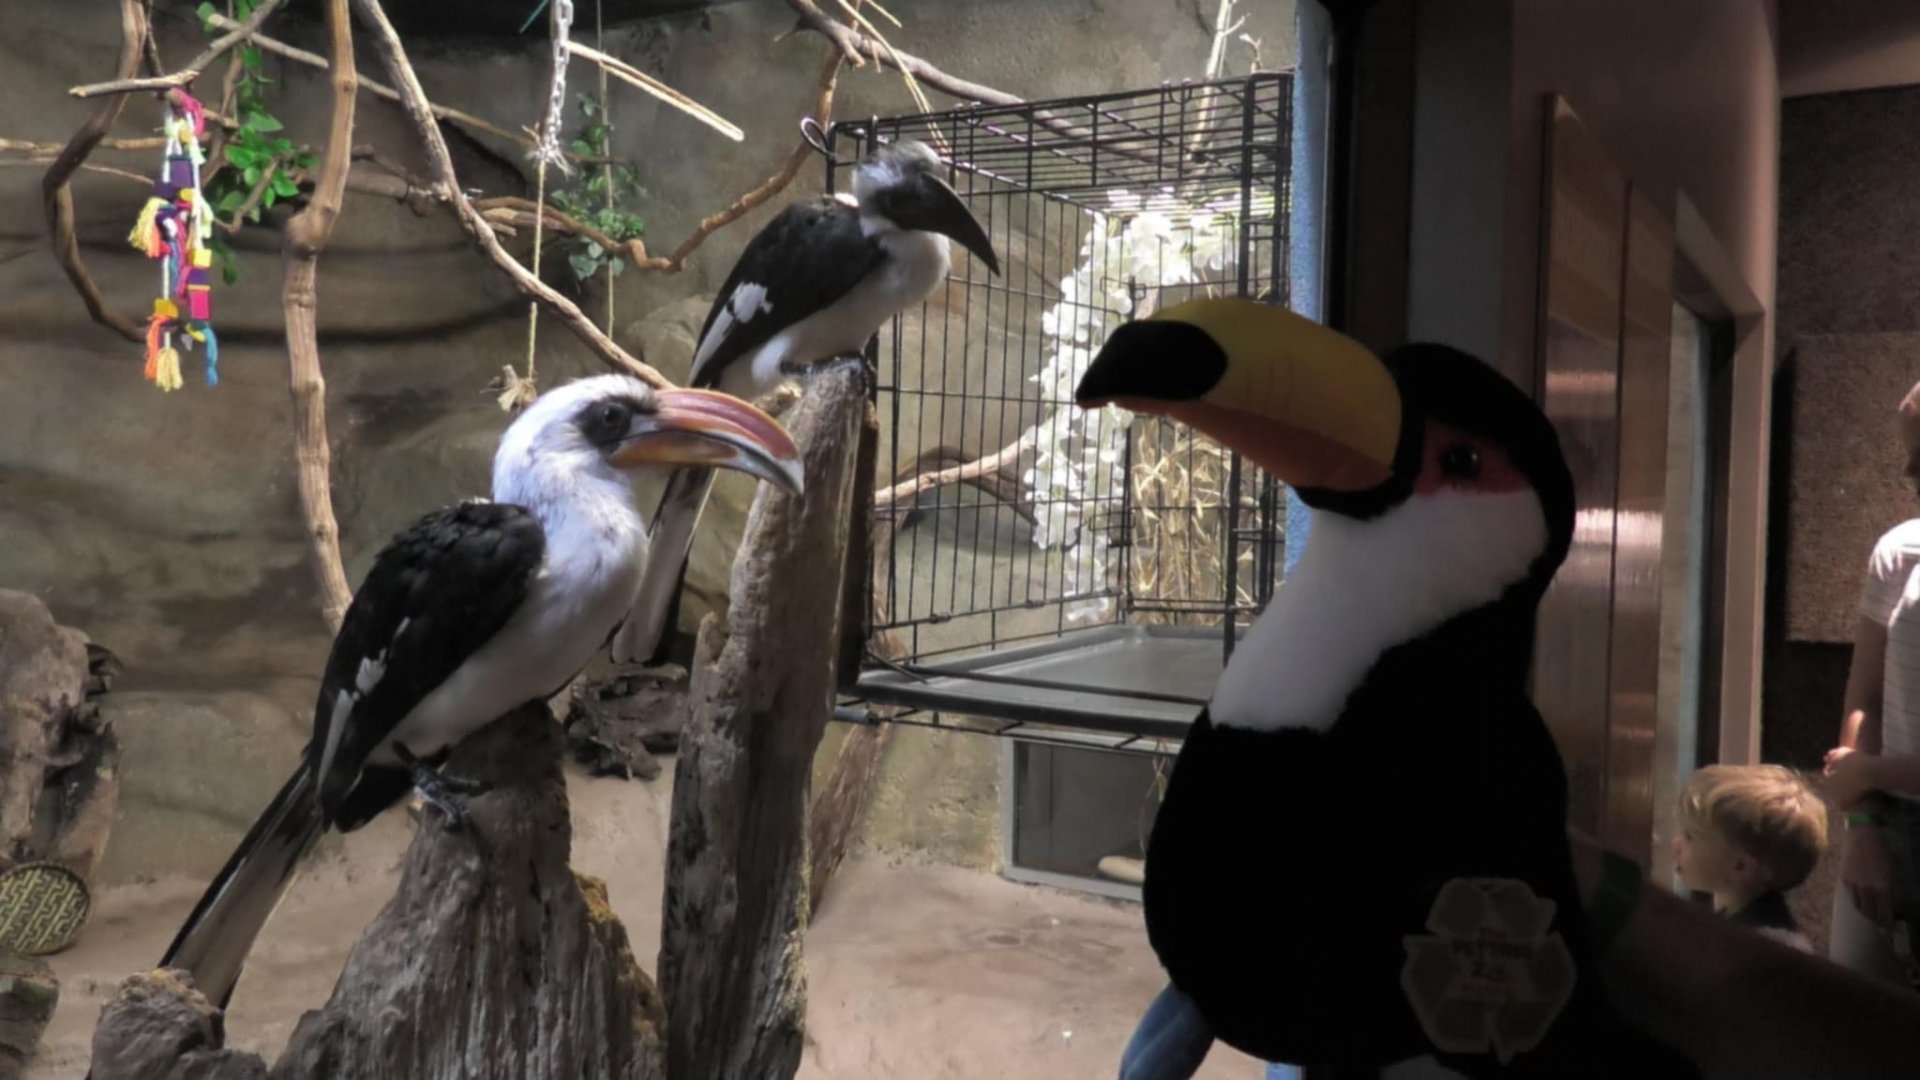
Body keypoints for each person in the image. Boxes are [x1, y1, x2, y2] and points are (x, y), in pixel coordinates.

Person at [1821, 378, 1920, 990]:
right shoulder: (1901, 551)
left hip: (1883, 792)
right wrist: (1861, 826)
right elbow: (1864, 694)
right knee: (1854, 1032)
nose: (1907, 468)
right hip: (1888, 829)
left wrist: (1869, 774)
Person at [1671, 764, 1826, 951]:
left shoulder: (1753, 951)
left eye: (1690, 837)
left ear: (1740, 866)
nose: (1675, 844)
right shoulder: (1738, 929)